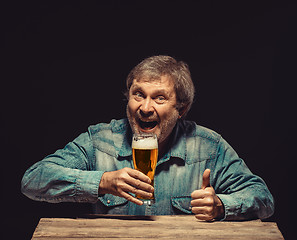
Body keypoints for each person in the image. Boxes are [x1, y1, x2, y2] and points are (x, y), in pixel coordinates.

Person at [21, 55, 274, 221]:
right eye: (138, 94)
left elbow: (262, 197)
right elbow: (33, 180)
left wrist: (221, 205)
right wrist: (102, 181)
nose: (145, 107)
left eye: (159, 98)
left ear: (181, 109)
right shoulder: (100, 140)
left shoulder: (208, 146)